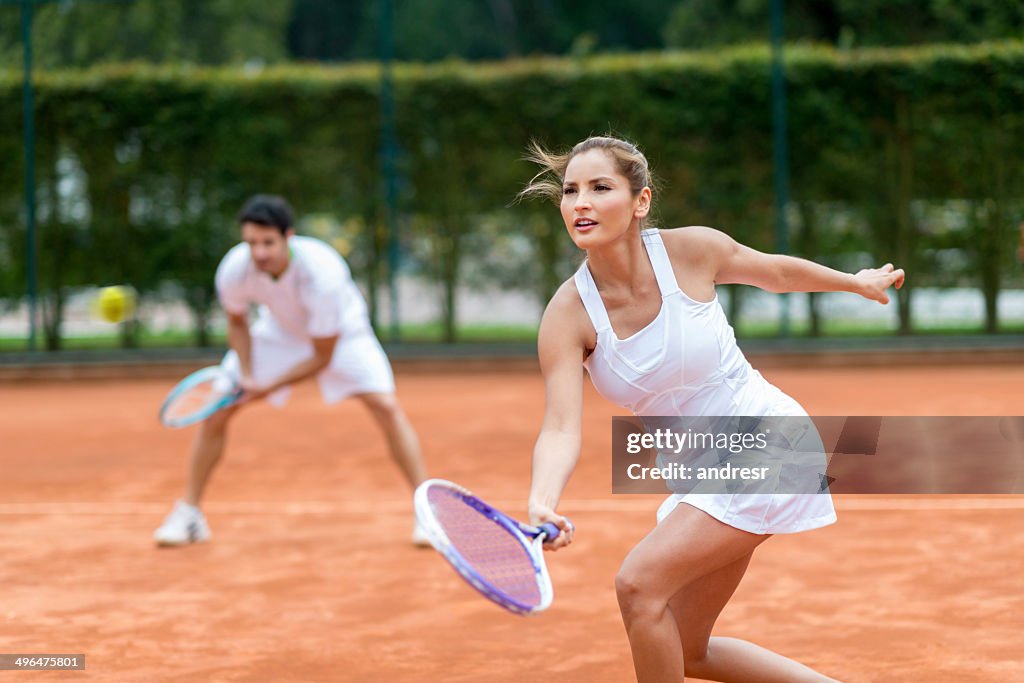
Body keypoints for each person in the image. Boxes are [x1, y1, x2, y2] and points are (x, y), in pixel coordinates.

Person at [520, 136, 904, 682]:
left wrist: (855, 282)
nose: (580, 202)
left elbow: (777, 273)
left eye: (599, 188)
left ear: (640, 201)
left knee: (638, 585)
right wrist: (541, 501)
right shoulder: (567, 315)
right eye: (570, 191)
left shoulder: (691, 251)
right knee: (687, 650)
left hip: (770, 439)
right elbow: (559, 426)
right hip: (699, 470)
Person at [154, 195, 430, 548]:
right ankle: (190, 514)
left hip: (343, 337)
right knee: (219, 408)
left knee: (386, 408)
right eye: (251, 242)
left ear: (289, 236)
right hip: (280, 334)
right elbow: (237, 323)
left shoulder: (323, 274)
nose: (259, 253)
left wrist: (268, 388)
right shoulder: (235, 269)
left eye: (268, 242)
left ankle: (426, 514)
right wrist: (250, 375)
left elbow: (323, 356)